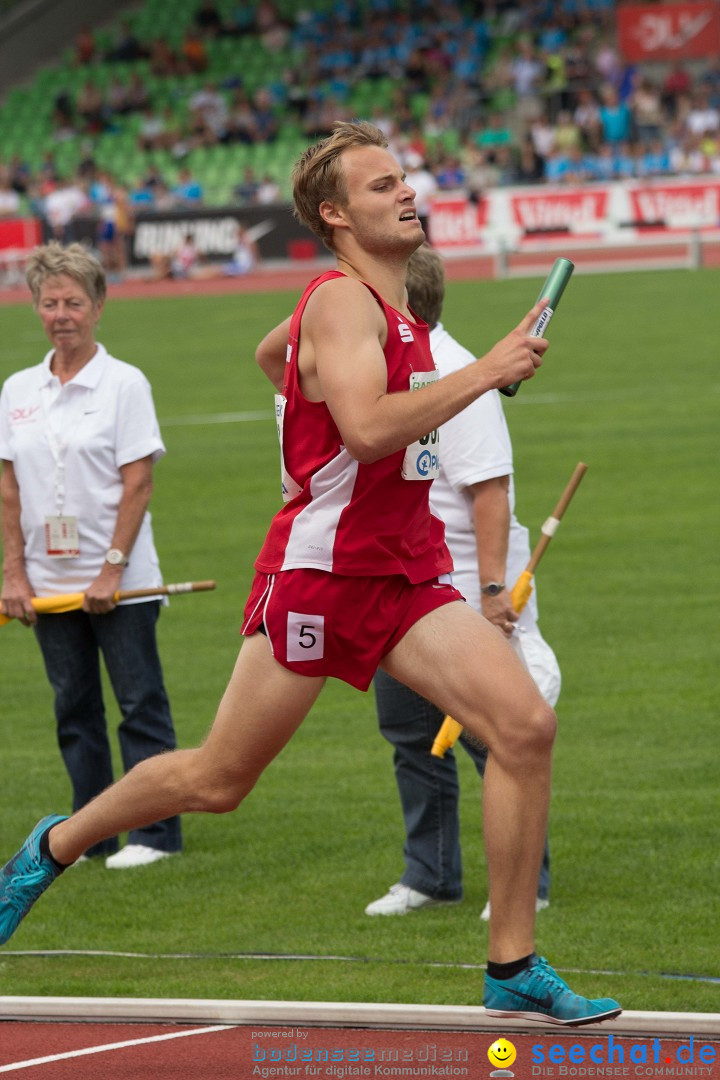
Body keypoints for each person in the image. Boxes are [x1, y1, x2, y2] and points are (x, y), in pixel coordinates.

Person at [0, 124, 621, 1028]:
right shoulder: (338, 301)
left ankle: (513, 963)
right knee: (218, 781)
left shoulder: (382, 308)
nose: (405, 192)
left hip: (407, 572)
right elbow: (368, 431)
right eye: (380, 186)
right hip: (325, 574)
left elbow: (273, 360)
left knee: (523, 727)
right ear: (334, 215)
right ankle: (49, 848)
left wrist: (305, 384)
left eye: (404, 179)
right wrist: (485, 370)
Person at [365, 244, 559, 920]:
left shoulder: (456, 374)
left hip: (458, 591)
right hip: (401, 585)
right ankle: (430, 873)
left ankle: (525, 880)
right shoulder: (402, 372)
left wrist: (491, 589)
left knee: (494, 734)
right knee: (409, 732)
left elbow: (488, 492)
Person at [0, 242, 182, 870]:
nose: (61, 314)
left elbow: (138, 484)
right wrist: (14, 574)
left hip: (120, 582)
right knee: (73, 708)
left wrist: (111, 567)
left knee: (139, 705)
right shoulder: (18, 389)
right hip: (48, 585)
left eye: (74, 302)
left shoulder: (125, 383)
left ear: (98, 306)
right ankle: (90, 833)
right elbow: (8, 489)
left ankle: (154, 832)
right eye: (49, 303)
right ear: (36, 309)